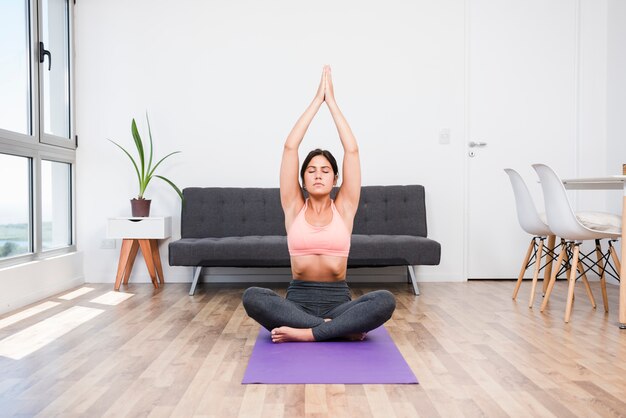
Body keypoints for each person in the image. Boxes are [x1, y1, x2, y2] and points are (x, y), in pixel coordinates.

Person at [242, 66, 396, 343]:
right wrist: (316, 101)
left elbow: (352, 150)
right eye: (311, 170)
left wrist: (332, 104)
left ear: (336, 178)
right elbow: (290, 147)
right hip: (297, 303)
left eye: (325, 170)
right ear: (302, 178)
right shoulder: (293, 207)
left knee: (384, 300)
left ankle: (308, 333)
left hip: (339, 301)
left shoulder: (345, 208)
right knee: (253, 296)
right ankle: (333, 328)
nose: (318, 175)